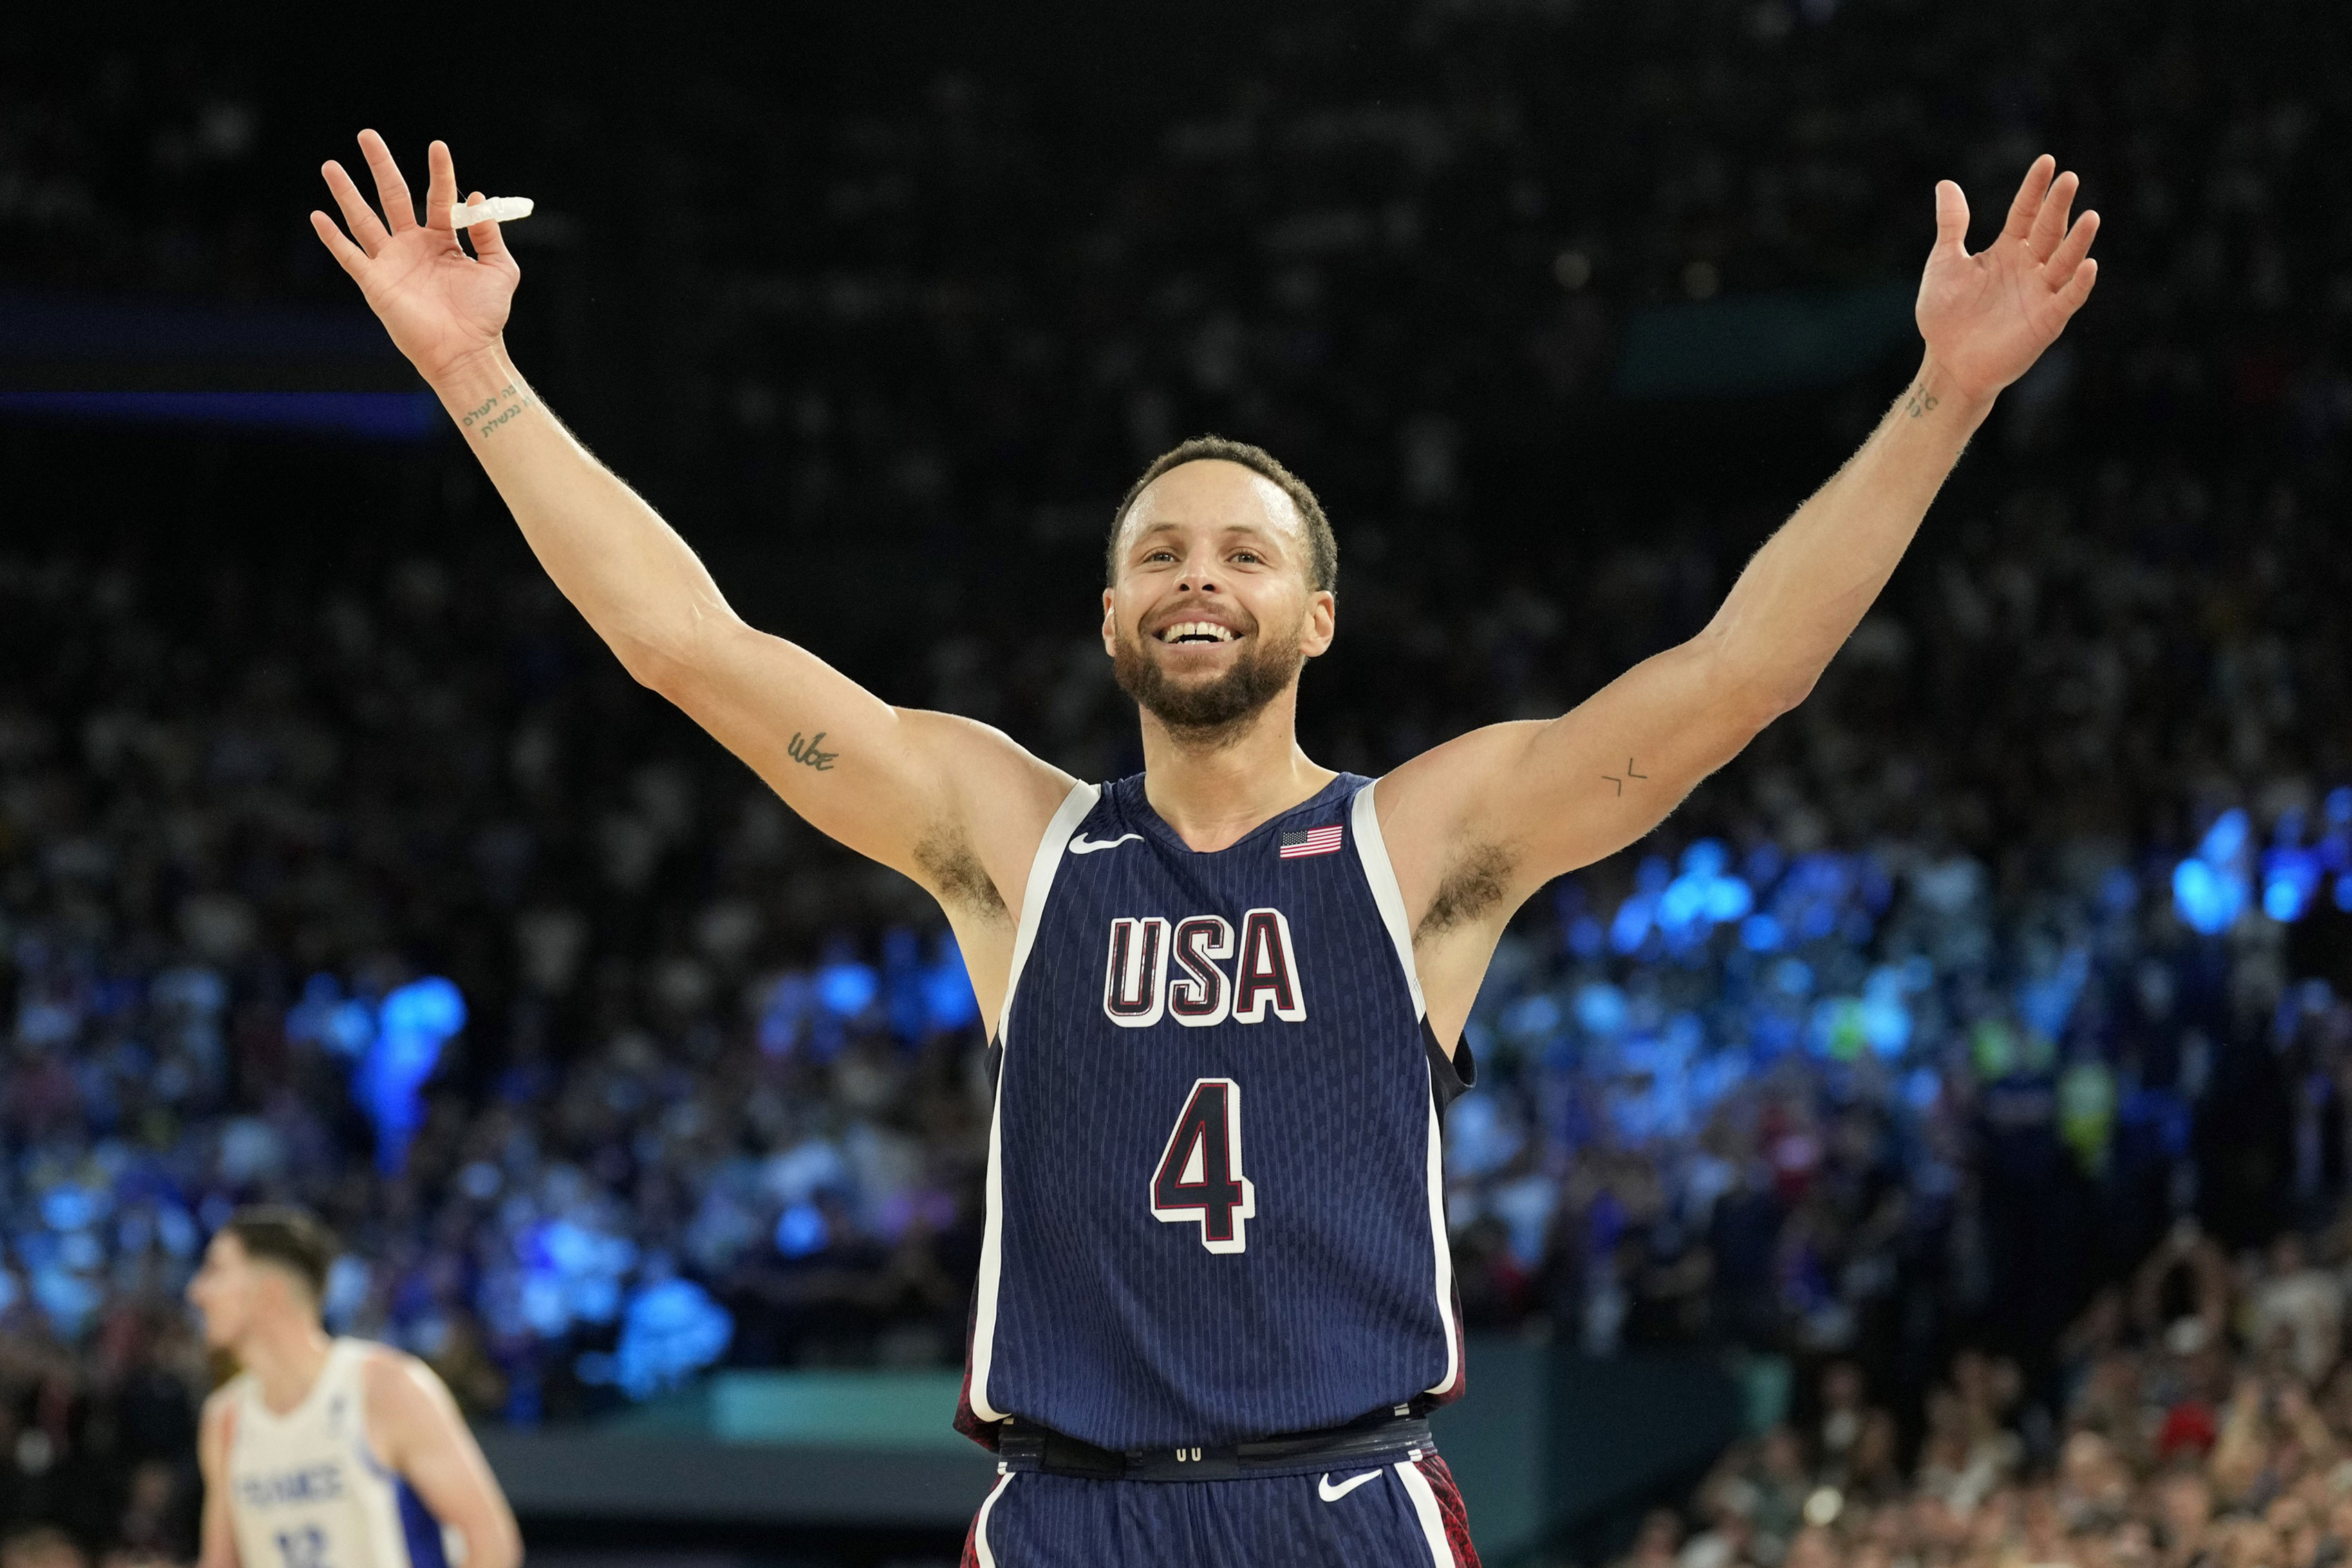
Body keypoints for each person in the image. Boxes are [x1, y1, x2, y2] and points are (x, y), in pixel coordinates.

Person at [310, 129, 2096, 1567]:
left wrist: (1941, 395)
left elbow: (1743, 674)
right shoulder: (1013, 838)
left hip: (1338, 1500)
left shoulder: (1425, 841)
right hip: (1064, 1507)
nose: (1198, 577)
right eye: (1163, 551)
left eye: (1243, 553)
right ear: (1107, 616)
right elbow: (689, 648)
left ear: (1317, 617)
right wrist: (478, 379)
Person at [187, 1208, 521, 1568]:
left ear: (270, 1292)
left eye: (215, 1272)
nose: (197, 1292)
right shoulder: (226, 1418)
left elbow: (492, 1542)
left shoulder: (384, 1386)